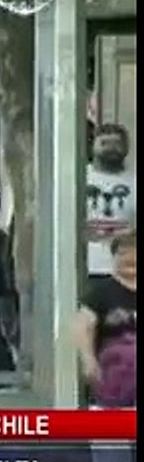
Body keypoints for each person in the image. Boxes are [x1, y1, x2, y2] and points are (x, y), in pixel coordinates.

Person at [74, 231, 136, 406]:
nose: (130, 258)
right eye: (123, 253)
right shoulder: (100, 291)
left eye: (135, 251)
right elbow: (83, 325)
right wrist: (88, 359)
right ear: (114, 257)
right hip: (114, 379)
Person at [85, 124, 136, 279]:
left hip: (125, 271)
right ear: (93, 146)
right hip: (85, 267)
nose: (111, 149)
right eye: (104, 143)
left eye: (117, 144)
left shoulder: (134, 181)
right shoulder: (79, 178)